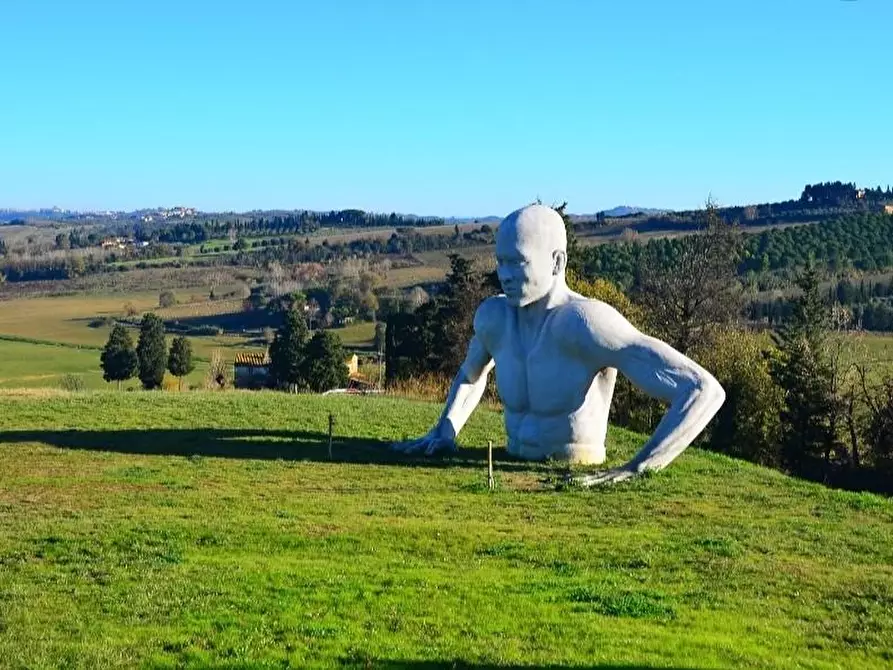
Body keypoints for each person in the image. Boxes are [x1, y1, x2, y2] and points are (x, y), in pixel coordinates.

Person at [394, 204, 725, 485]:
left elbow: (701, 390)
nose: (504, 275)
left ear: (557, 262)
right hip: (511, 473)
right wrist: (445, 431)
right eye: (501, 261)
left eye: (518, 262)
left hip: (574, 476)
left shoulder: (585, 323)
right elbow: (471, 375)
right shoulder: (495, 318)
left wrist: (640, 467)